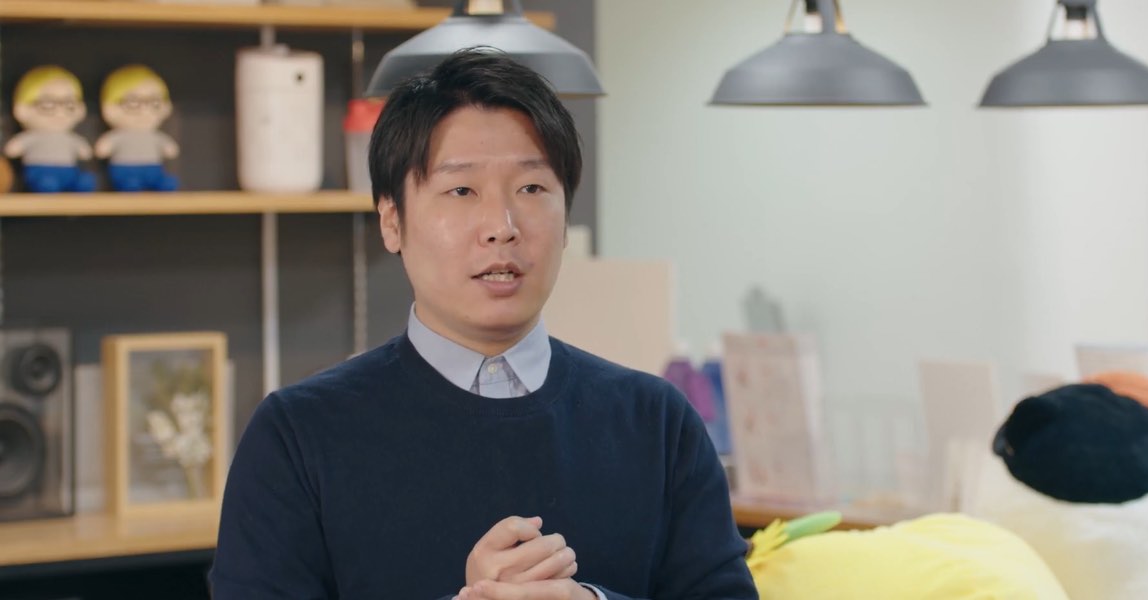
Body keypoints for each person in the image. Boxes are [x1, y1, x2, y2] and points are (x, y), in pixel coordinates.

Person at [209, 49, 757, 600]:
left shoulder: (658, 423)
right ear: (392, 221)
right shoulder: (297, 435)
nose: (502, 226)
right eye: (462, 190)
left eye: (532, 189)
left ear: (566, 215)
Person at [4, 65, 95, 193]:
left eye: (69, 105)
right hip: (39, 170)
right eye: (48, 105)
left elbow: (85, 152)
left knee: (83, 180)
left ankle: (79, 184)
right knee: (46, 182)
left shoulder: (70, 138)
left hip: (70, 170)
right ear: (22, 109)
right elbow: (12, 150)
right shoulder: (33, 136)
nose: (60, 113)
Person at [95, 64, 180, 192]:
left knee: (164, 182)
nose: (144, 111)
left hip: (153, 168)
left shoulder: (155, 136)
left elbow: (171, 150)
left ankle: (160, 183)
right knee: (130, 183)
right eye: (133, 103)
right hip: (124, 169)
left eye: (155, 103)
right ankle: (129, 184)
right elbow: (103, 149)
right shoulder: (119, 135)